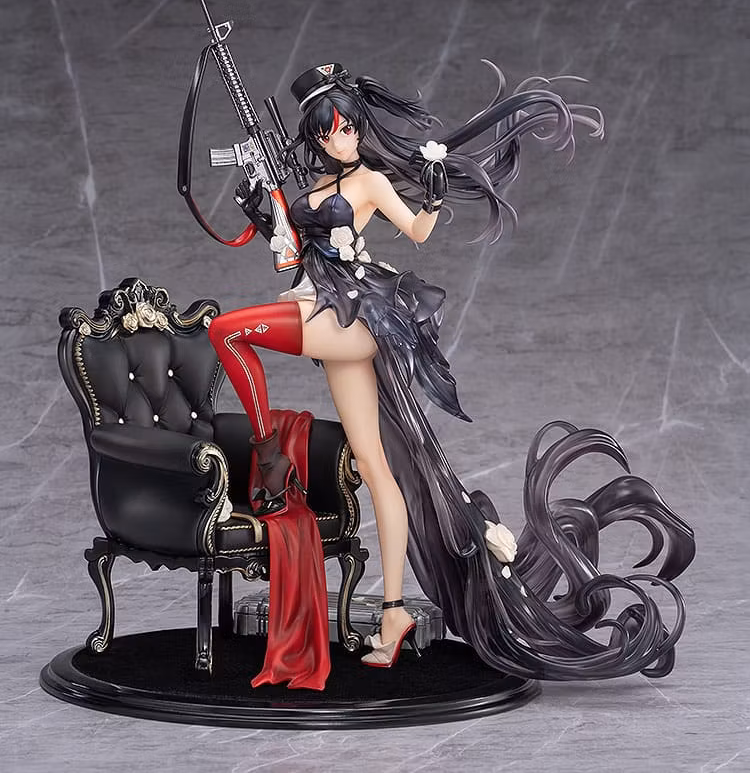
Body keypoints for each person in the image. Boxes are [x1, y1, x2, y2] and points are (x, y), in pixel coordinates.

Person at [207, 61, 694, 682]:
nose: (342, 139)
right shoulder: (316, 185)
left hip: (349, 315)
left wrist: (434, 192)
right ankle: (392, 614)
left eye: (348, 128)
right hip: (319, 304)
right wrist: (263, 211)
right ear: (314, 136)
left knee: (227, 331)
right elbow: (292, 257)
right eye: (329, 132)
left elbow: (417, 231)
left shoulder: (370, 181)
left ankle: (267, 449)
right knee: (380, 469)